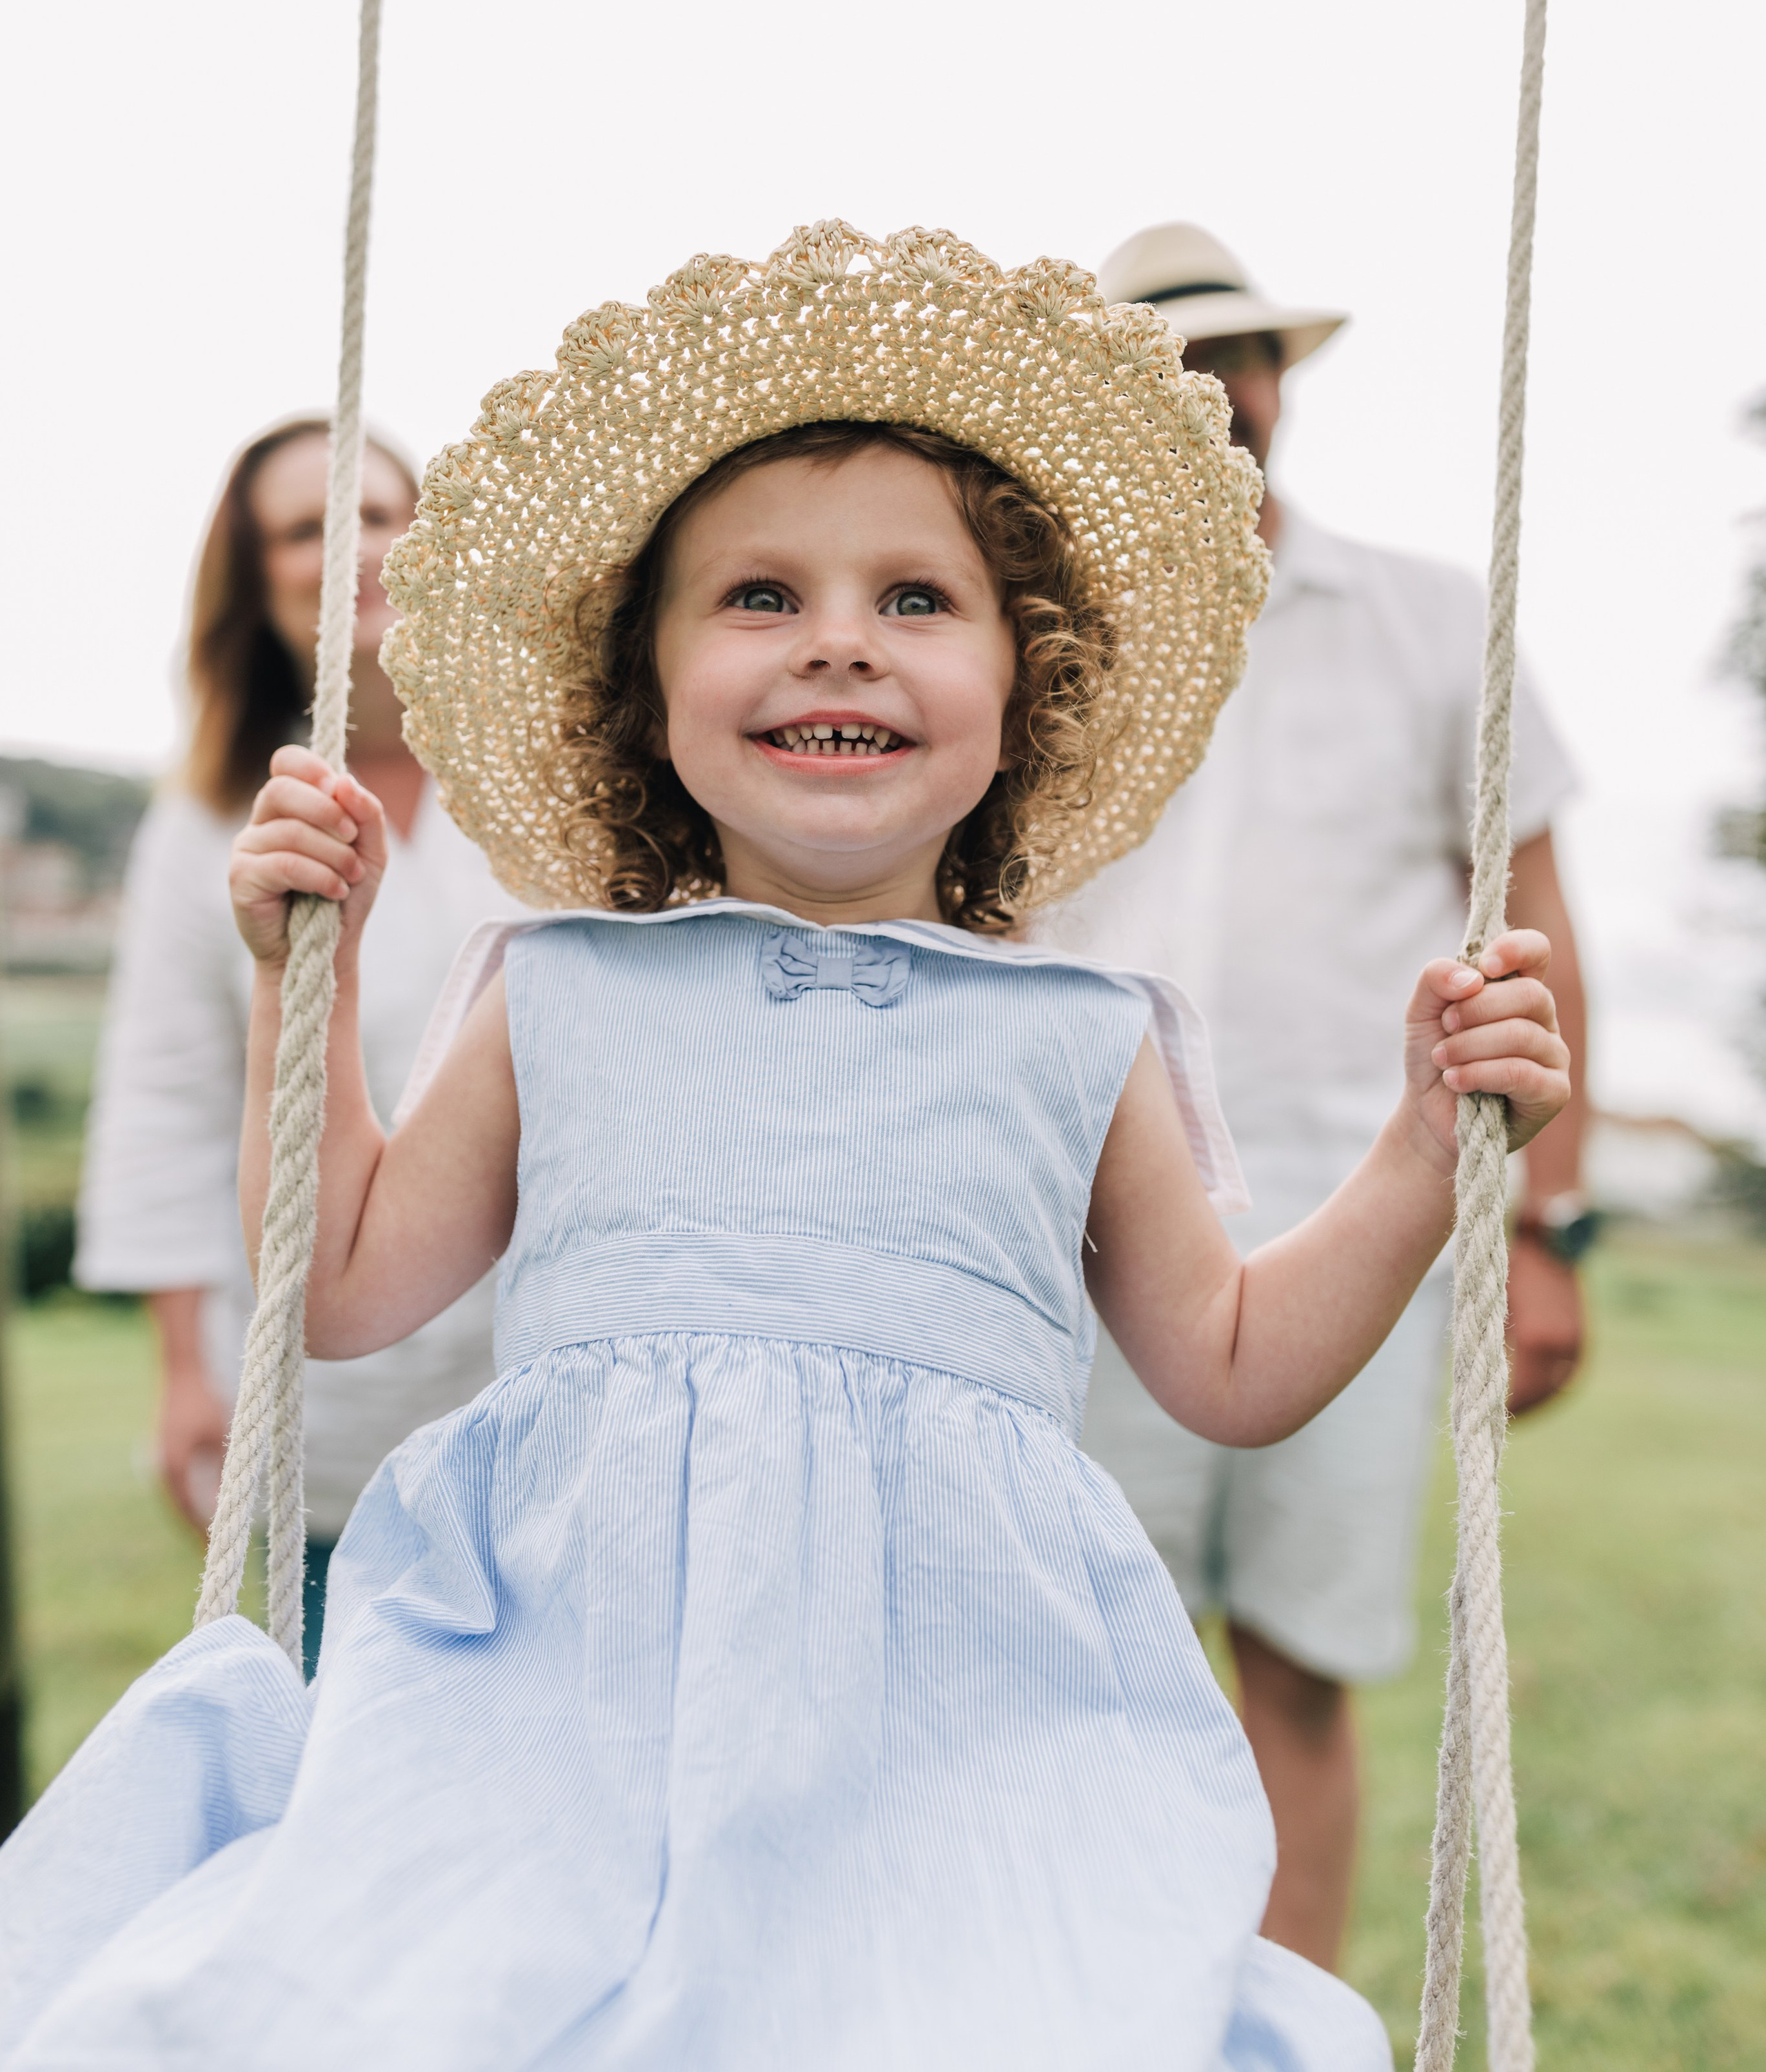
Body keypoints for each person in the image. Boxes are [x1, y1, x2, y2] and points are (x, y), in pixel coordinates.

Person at [0, 227, 1571, 2071]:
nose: (842, 633)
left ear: (1022, 688)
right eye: (759, 597)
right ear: (647, 691)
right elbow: (339, 1290)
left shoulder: (1080, 1040)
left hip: (956, 1734)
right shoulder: (558, 991)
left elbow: (1231, 1366)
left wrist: (1418, 1145)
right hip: (559, 1718)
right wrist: (302, 989)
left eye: (919, 600)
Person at [1042, 221, 1591, 1973]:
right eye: (1162, 367)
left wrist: (1546, 1227)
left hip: (1369, 1213)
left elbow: (1536, 934)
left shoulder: (1434, 620)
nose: (1207, 397)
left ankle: (1282, 2028)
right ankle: (1092, 2009)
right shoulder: (1018, 636)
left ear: (1281, 381)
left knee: (1297, 1655)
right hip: (1069, 1230)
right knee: (1071, 1658)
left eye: (1234, 359)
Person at [76, 417, 528, 1674]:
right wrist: (182, 1370)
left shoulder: (546, 786)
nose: (352, 547)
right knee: (344, 1738)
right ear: (254, 575)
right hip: (325, 1399)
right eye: (304, 527)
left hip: (536, 1369)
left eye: (380, 512)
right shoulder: (204, 823)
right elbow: (166, 1096)